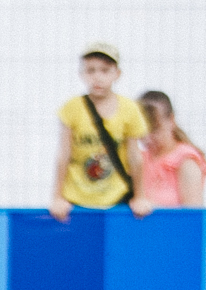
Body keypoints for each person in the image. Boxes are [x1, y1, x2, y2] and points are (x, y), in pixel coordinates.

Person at [50, 42, 151, 222]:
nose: (97, 77)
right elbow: (64, 154)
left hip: (116, 198)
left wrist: (139, 196)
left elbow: (135, 156)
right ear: (81, 74)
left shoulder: (129, 109)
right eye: (91, 70)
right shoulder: (72, 108)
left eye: (105, 71)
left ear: (117, 74)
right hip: (77, 200)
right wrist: (57, 197)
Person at [138, 91, 206, 208]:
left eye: (155, 129)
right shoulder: (140, 159)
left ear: (171, 120)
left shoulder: (186, 160)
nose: (148, 138)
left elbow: (192, 214)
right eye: (143, 131)